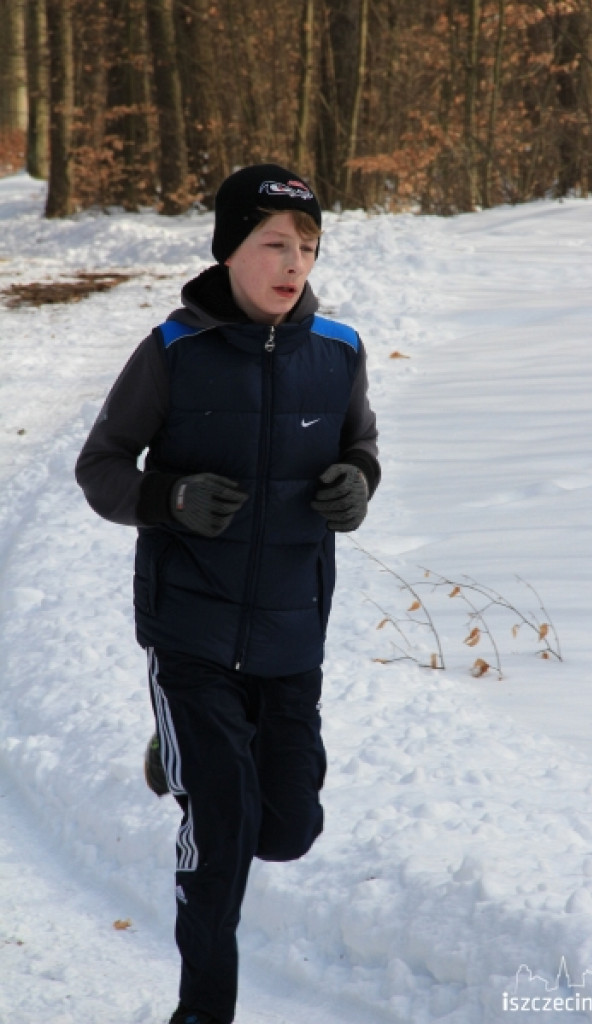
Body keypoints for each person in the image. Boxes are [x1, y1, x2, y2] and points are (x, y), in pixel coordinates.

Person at [75, 164, 380, 1024]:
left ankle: (171, 761)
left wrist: (358, 482)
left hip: (291, 634)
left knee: (287, 830)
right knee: (226, 833)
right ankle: (201, 1011)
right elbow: (99, 469)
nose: (294, 265)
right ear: (230, 250)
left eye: (308, 248)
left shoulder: (341, 353)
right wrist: (167, 499)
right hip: (192, 633)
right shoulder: (174, 351)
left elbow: (363, 446)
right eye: (275, 245)